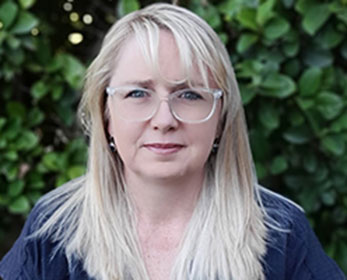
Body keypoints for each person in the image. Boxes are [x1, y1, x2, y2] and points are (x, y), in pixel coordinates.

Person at [0, 3, 345, 280]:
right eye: (137, 93)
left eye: (190, 95)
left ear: (222, 116)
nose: (164, 120)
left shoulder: (281, 232)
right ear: (105, 114)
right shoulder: (54, 229)